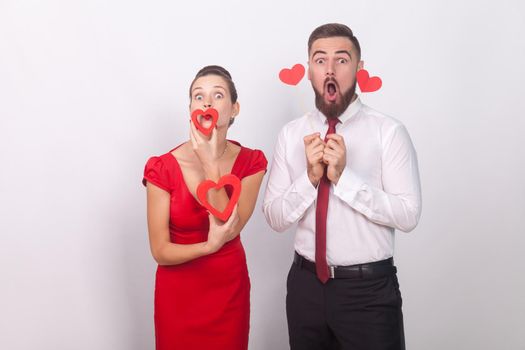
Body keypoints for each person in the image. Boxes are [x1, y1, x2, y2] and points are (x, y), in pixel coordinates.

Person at [262, 23, 422, 350]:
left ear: (359, 69)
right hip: (305, 289)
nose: (330, 69)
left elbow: (408, 215)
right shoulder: (291, 135)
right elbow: (275, 218)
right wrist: (309, 178)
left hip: (368, 294)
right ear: (309, 70)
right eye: (320, 60)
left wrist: (343, 179)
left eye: (342, 60)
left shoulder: (388, 132)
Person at [142, 65, 267, 350]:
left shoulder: (251, 162)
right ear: (190, 110)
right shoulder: (162, 167)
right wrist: (207, 248)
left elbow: (230, 226)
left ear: (234, 109)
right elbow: (159, 251)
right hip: (178, 295)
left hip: (228, 294)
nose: (207, 102)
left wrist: (209, 161)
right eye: (199, 96)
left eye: (218, 95)